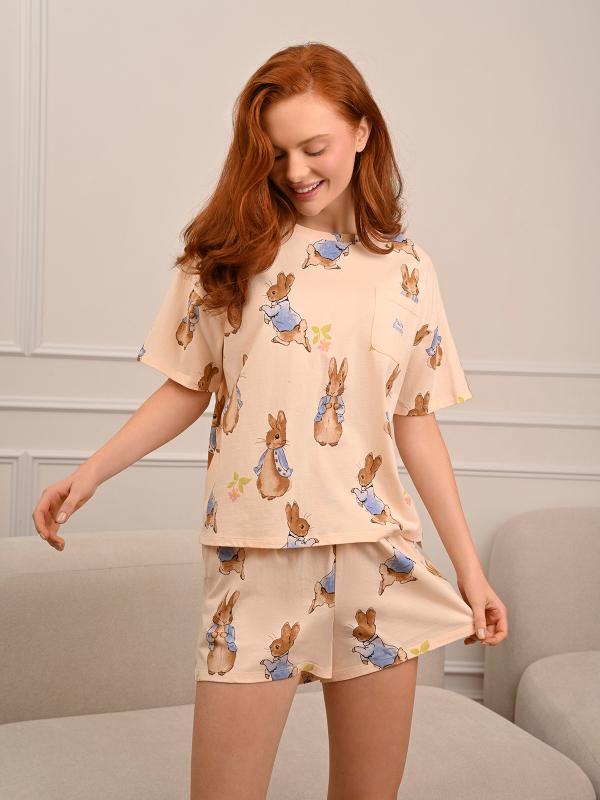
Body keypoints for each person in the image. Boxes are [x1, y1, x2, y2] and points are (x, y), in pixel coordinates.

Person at [32, 41, 508, 800]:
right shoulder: (230, 255)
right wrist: (90, 473)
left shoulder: (409, 269)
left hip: (377, 558)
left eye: (314, 147)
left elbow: (416, 422)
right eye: (277, 153)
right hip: (255, 559)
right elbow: (186, 386)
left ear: (362, 131)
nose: (295, 171)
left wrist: (471, 571)